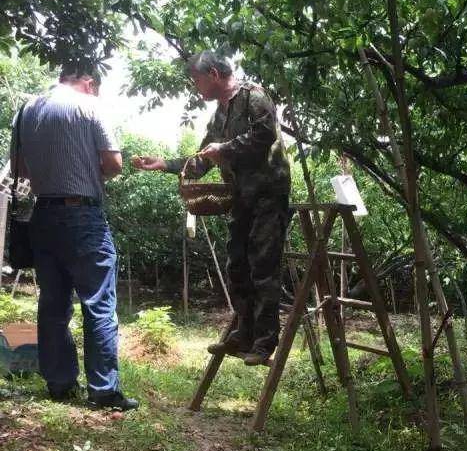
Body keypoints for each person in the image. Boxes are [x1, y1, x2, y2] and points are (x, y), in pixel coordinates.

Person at [133, 52, 291, 365]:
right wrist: (164, 164)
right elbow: (203, 159)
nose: (196, 86)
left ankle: (264, 342)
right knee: (237, 266)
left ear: (215, 74)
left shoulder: (253, 96)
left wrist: (226, 149)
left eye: (197, 79)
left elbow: (265, 134)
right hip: (239, 197)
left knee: (263, 266)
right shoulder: (220, 115)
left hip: (267, 195)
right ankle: (244, 333)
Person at [11, 63, 138, 410]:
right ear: (88, 82)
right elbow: (113, 164)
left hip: (43, 216)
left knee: (52, 303)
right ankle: (104, 390)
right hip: (82, 214)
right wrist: (83, 173)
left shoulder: (27, 109)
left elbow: (21, 169)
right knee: (98, 302)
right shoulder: (89, 105)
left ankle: (60, 383)